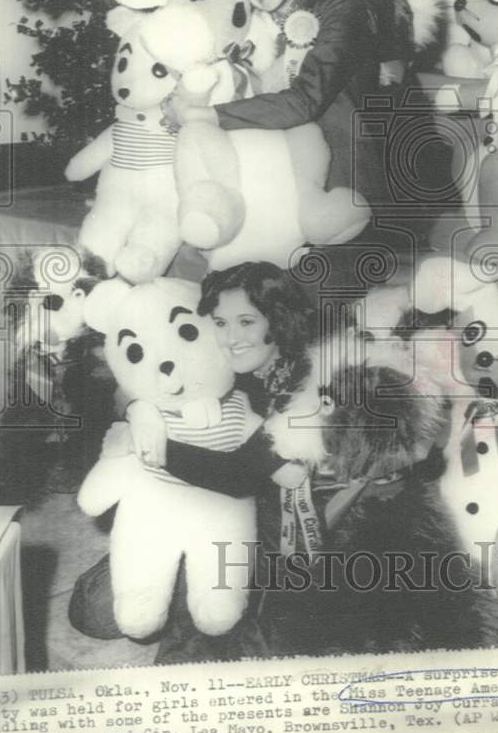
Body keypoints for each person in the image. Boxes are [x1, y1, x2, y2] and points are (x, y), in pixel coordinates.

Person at [67, 262, 318, 653]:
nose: (230, 337)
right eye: (218, 322)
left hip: (265, 528)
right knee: (93, 613)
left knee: (215, 618)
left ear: (279, 320)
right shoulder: (229, 365)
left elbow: (238, 478)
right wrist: (140, 409)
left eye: (246, 322)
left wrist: (151, 449)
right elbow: (135, 379)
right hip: (177, 507)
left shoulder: (306, 382)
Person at [210, 0, 390, 208]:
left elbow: (305, 101)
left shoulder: (340, 6)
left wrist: (206, 116)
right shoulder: (255, 34)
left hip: (353, 182)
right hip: (288, 175)